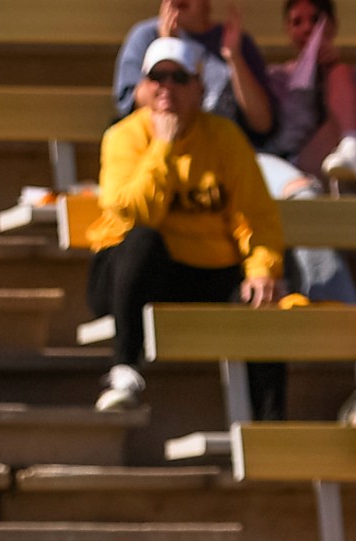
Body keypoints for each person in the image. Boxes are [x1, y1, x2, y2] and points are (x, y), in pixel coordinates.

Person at [87, 37, 286, 418]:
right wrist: (163, 147)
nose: (167, 87)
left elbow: (256, 215)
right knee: (143, 240)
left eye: (179, 77)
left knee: (265, 300)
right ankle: (123, 369)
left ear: (200, 87)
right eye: (157, 77)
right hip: (128, 277)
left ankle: (270, 431)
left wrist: (261, 268)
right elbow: (134, 213)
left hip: (206, 270)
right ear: (143, 86)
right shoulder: (123, 137)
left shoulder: (225, 137)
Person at [112, 0, 276, 149]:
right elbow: (131, 106)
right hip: (165, 152)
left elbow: (262, 123)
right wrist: (166, 46)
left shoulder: (238, 42)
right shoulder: (146, 36)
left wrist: (235, 58)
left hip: (228, 155)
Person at [265, 0, 356, 194]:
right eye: (297, 22)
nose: (307, 28)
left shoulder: (353, 74)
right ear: (287, 30)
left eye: (315, 20)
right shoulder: (277, 76)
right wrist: (309, 75)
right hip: (298, 164)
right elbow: (289, 139)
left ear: (332, 25)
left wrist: (332, 69)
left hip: (351, 161)